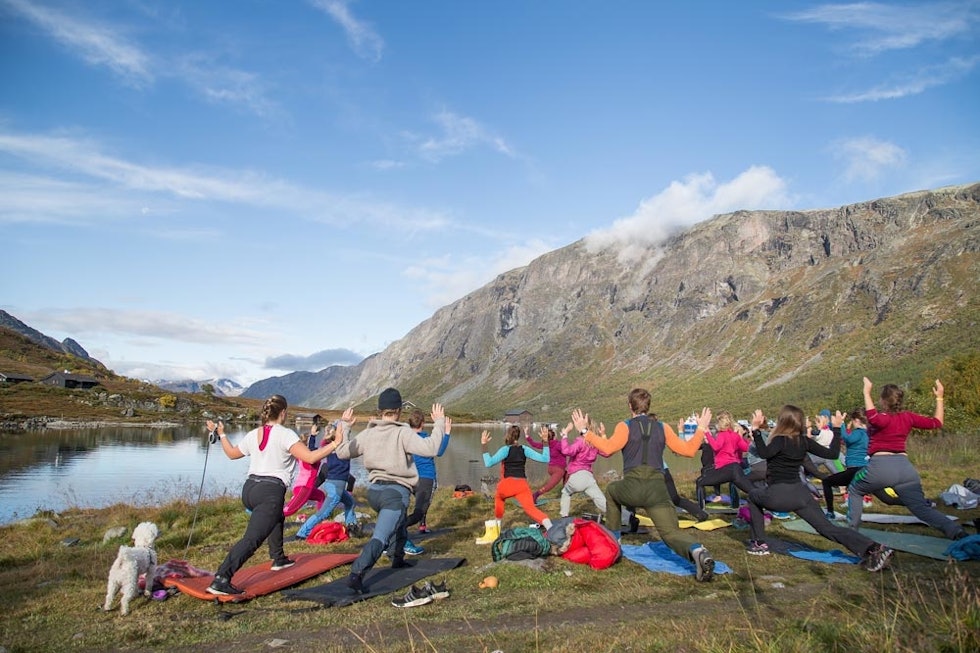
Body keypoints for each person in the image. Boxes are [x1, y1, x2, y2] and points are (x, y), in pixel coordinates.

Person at [205, 395, 351, 596]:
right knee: (252, 539)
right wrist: (336, 444)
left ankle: (279, 558)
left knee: (277, 516)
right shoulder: (285, 434)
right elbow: (309, 457)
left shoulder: (253, 433)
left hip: (249, 489)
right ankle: (222, 578)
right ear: (283, 413)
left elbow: (231, 454)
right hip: (270, 491)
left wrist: (221, 434)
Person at [573, 389, 717, 582]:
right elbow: (689, 450)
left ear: (629, 406)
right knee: (670, 533)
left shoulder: (624, 426)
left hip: (632, 486)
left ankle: (614, 542)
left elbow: (607, 448)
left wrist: (584, 431)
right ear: (648, 406)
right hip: (658, 490)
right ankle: (697, 550)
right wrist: (700, 429)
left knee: (611, 491)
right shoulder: (663, 427)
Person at [744, 406, 893, 571]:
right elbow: (833, 454)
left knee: (752, 496)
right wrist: (837, 428)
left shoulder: (779, 440)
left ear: (782, 421)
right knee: (827, 528)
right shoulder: (804, 441)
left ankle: (759, 543)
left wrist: (756, 430)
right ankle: (873, 548)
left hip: (778, 494)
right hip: (801, 494)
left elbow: (764, 453)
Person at [334, 389, 450, 593]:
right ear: (398, 410)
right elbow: (431, 448)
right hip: (395, 494)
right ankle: (356, 574)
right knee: (381, 536)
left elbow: (342, 452)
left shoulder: (369, 433)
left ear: (380, 411)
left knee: (397, 522)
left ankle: (397, 559)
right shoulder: (402, 432)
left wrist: (344, 425)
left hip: (374, 492)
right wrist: (439, 423)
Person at [847, 377, 967, 540]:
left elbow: (873, 417)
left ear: (883, 401)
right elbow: (937, 422)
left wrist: (866, 392)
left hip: (880, 467)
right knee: (920, 508)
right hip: (905, 469)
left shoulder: (882, 418)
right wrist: (940, 397)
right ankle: (955, 531)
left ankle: (852, 533)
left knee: (855, 488)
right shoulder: (908, 417)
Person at [480, 424, 554, 539]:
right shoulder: (524, 449)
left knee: (499, 498)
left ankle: (497, 528)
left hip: (507, 484)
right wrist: (545, 442)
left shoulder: (505, 450)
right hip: (522, 485)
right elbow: (545, 458)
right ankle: (551, 528)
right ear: (518, 436)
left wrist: (484, 445)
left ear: (507, 435)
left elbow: (488, 463)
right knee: (531, 508)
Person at [293, 420, 360, 540]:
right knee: (324, 513)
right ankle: (302, 533)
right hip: (336, 485)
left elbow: (312, 450)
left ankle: (352, 527)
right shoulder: (343, 447)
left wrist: (313, 436)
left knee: (350, 502)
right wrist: (347, 426)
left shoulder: (327, 446)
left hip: (331, 483)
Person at [695, 411, 756, 509]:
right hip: (736, 468)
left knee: (700, 481)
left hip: (726, 469)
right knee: (752, 490)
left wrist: (706, 433)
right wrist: (742, 436)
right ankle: (771, 504)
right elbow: (746, 448)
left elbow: (715, 447)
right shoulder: (735, 435)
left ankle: (701, 511)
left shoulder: (721, 435)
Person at [405, 408, 451, 534]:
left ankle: (421, 526)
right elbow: (440, 451)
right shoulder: (427, 439)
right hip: (426, 478)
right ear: (423, 423)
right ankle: (398, 529)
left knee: (416, 505)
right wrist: (446, 433)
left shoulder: (405, 439)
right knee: (420, 510)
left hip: (409, 478)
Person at [556, 420, 607, 518]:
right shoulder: (595, 443)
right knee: (601, 500)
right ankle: (625, 517)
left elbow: (566, 451)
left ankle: (564, 516)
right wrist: (603, 435)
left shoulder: (580, 441)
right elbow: (607, 452)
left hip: (576, 476)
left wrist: (565, 435)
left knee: (565, 493)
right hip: (588, 478)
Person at [526, 425, 567, 504]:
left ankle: (567, 492)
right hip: (558, 470)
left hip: (550, 468)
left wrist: (527, 436)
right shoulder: (558, 444)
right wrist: (564, 437)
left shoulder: (546, 444)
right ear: (554, 436)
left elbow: (534, 444)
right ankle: (536, 494)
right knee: (549, 486)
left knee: (567, 474)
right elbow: (568, 450)